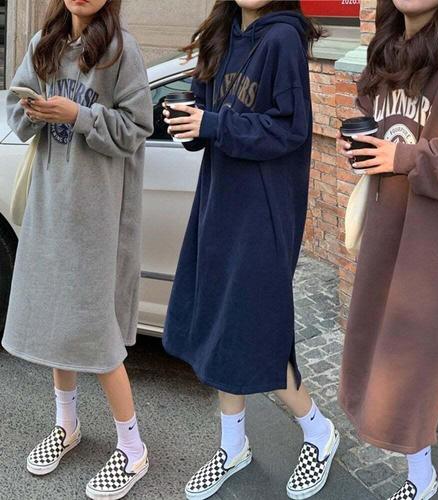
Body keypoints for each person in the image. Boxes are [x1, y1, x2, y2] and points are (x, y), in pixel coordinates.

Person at [162, 1, 338, 499]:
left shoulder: (282, 39)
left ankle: (320, 432)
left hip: (263, 212)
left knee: (258, 329)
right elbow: (207, 120)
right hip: (218, 204)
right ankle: (233, 445)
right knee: (222, 324)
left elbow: (290, 130)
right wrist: (187, 122)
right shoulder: (222, 34)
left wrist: (213, 125)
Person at [336, 1, 438, 499]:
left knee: (411, 364)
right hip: (389, 226)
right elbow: (375, 118)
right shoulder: (386, 47)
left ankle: (422, 475)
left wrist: (404, 156)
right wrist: (362, 146)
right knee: (399, 349)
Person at [1, 0, 153, 498]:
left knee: (96, 331)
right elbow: (16, 114)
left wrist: (79, 115)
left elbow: (136, 129)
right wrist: (33, 110)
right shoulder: (42, 45)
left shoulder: (122, 51)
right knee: (55, 322)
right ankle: (66, 425)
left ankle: (132, 447)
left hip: (98, 217)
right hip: (50, 208)